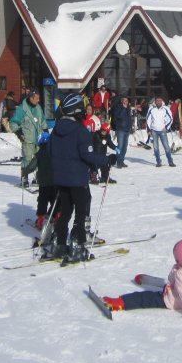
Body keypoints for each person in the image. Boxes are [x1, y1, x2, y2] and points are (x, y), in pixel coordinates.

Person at [45, 92, 108, 264]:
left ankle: (59, 242)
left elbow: (49, 151)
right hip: (77, 179)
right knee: (81, 211)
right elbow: (87, 155)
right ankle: (78, 244)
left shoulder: (56, 130)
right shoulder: (80, 131)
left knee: (65, 211)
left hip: (60, 178)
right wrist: (105, 160)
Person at [100, 239, 182, 318]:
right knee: (176, 285)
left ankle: (120, 302)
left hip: (173, 300)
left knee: (144, 297)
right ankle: (152, 282)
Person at [9, 89, 46, 187]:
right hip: (27, 139)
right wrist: (18, 132)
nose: (38, 100)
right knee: (28, 159)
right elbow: (13, 122)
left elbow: (43, 121)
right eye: (37, 98)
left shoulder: (38, 108)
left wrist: (45, 131)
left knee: (39, 159)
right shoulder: (22, 109)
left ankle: (37, 177)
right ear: (31, 98)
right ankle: (24, 178)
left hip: (39, 139)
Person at [32, 131, 57, 231]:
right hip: (55, 181)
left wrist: (25, 171)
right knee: (54, 200)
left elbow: (32, 166)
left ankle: (41, 219)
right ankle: (56, 216)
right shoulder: (55, 152)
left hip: (43, 183)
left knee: (42, 200)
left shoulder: (39, 154)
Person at [145, 96, 175, 168]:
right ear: (155, 101)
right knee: (155, 148)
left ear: (162, 101)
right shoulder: (151, 109)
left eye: (160, 100)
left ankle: (170, 161)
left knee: (166, 147)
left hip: (162, 130)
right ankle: (158, 162)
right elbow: (148, 119)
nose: (158, 102)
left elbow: (170, 119)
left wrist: (166, 127)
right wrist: (148, 130)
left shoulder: (166, 108)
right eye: (157, 100)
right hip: (154, 130)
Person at [109, 95, 134, 169]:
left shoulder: (128, 108)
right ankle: (118, 162)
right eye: (125, 100)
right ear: (121, 101)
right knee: (120, 146)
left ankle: (121, 160)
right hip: (120, 130)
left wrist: (130, 127)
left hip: (127, 129)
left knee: (125, 147)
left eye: (127, 101)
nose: (126, 102)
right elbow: (118, 116)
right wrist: (123, 108)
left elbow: (129, 118)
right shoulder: (118, 107)